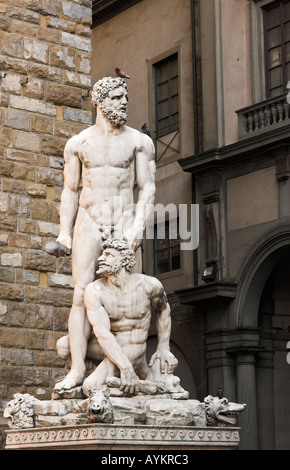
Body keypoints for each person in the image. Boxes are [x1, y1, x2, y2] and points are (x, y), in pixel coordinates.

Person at [46, 77, 156, 392]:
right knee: (80, 292)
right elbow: (69, 191)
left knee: (125, 294)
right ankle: (78, 369)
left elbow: (147, 189)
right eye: (118, 97)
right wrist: (64, 233)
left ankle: (124, 367)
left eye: (126, 97)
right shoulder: (78, 143)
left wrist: (137, 228)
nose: (124, 102)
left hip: (122, 221)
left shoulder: (138, 142)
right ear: (101, 101)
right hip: (89, 220)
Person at [82, 239, 178, 396]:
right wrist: (125, 367)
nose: (100, 258)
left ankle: (118, 383)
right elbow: (102, 332)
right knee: (64, 346)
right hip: (108, 346)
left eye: (108, 255)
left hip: (134, 346)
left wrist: (163, 348)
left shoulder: (149, 285)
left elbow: (164, 309)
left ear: (123, 259)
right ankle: (123, 381)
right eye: (101, 255)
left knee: (90, 387)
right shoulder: (94, 290)